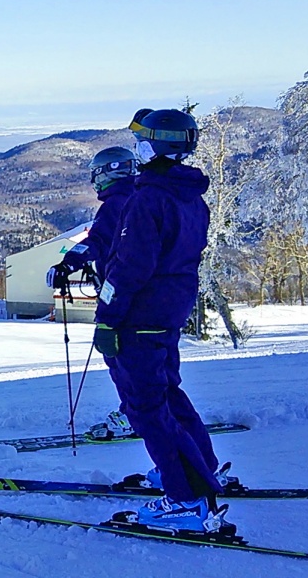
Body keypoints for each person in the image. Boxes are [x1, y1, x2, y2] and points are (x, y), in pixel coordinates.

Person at [93, 109, 230, 533]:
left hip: (141, 317)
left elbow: (129, 267)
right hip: (169, 312)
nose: (137, 146)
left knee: (146, 407)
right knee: (167, 395)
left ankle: (187, 498)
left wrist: (107, 318)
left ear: (155, 145)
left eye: (142, 139)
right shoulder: (190, 197)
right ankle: (201, 472)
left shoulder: (148, 200)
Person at [48, 117, 147, 440]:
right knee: (137, 357)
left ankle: (134, 414)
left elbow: (99, 241)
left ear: (109, 172)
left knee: (119, 354)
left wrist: (68, 264)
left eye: (96, 174)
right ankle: (138, 410)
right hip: (146, 294)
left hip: (123, 295)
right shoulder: (138, 198)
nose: (94, 182)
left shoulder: (116, 204)